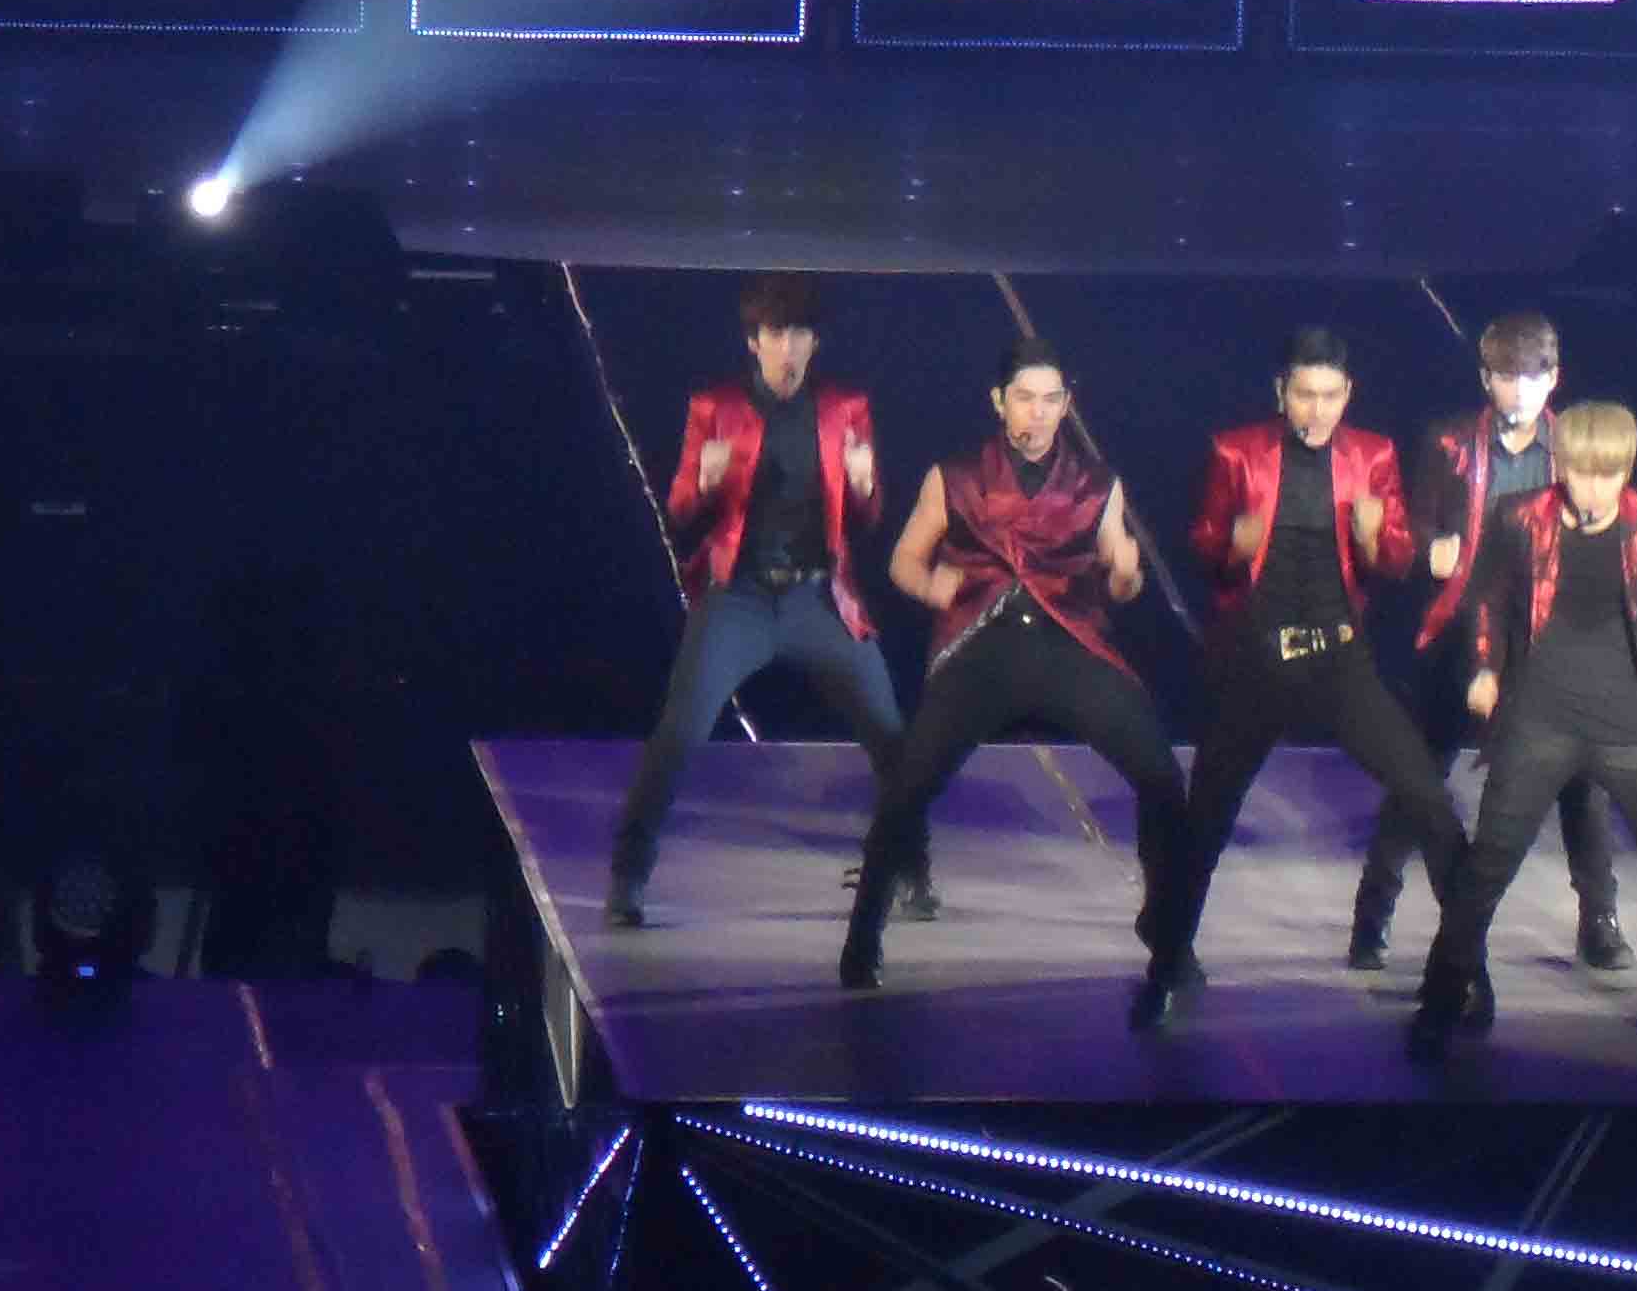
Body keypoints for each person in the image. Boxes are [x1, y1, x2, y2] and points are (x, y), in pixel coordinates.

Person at [1137, 329, 1466, 1027]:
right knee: (1207, 817)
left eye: (1330, 396)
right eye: (1305, 395)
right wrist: (1234, 545)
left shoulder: (1372, 454)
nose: (1317, 411)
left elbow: (1397, 561)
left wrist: (1376, 538)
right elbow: (1204, 545)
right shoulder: (1236, 451)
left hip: (1339, 658)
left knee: (1427, 798)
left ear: (1348, 395)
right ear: (1281, 393)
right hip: (1255, 658)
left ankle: (1464, 970)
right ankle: (1167, 962)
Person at [837, 339, 1182, 993]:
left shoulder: (1097, 483)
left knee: (1162, 778)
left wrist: (1126, 574)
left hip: (1068, 643)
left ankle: (1168, 935)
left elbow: (1119, 573)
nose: (1038, 413)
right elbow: (904, 560)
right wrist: (933, 587)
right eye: (1025, 398)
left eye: (1051, 399)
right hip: (982, 647)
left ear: (1066, 404)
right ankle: (862, 941)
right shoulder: (955, 476)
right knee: (907, 785)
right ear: (999, 401)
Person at [1409, 401, 1637, 1069]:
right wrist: (1485, 668)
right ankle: (1440, 1004)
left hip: (1629, 718)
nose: (1593, 489)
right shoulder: (1519, 518)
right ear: (1560, 467)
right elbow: (1488, 600)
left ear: (1627, 469)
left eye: (1607, 475)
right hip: (1541, 714)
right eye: (1581, 474)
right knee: (1488, 866)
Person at [607, 274, 925, 930]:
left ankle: (911, 869)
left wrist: (866, 486)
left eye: (800, 334)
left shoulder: (844, 407)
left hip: (819, 599)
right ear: (754, 342)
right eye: (777, 334)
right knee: (679, 731)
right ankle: (628, 877)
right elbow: (679, 510)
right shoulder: (715, 406)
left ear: (815, 343)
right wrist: (704, 480)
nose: (789, 348)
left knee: (890, 734)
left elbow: (868, 517)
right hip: (740, 597)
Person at [1355, 312, 1628, 973]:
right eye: (1507, 376)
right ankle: (1372, 914)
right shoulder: (1451, 442)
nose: (1520, 390)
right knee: (1420, 770)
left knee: (1582, 779)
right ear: (1486, 379)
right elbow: (1414, 521)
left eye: (1532, 377)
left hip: (1546, 636)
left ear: (1554, 378)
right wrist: (1429, 548)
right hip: (1460, 625)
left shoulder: (1573, 444)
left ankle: (1600, 919)